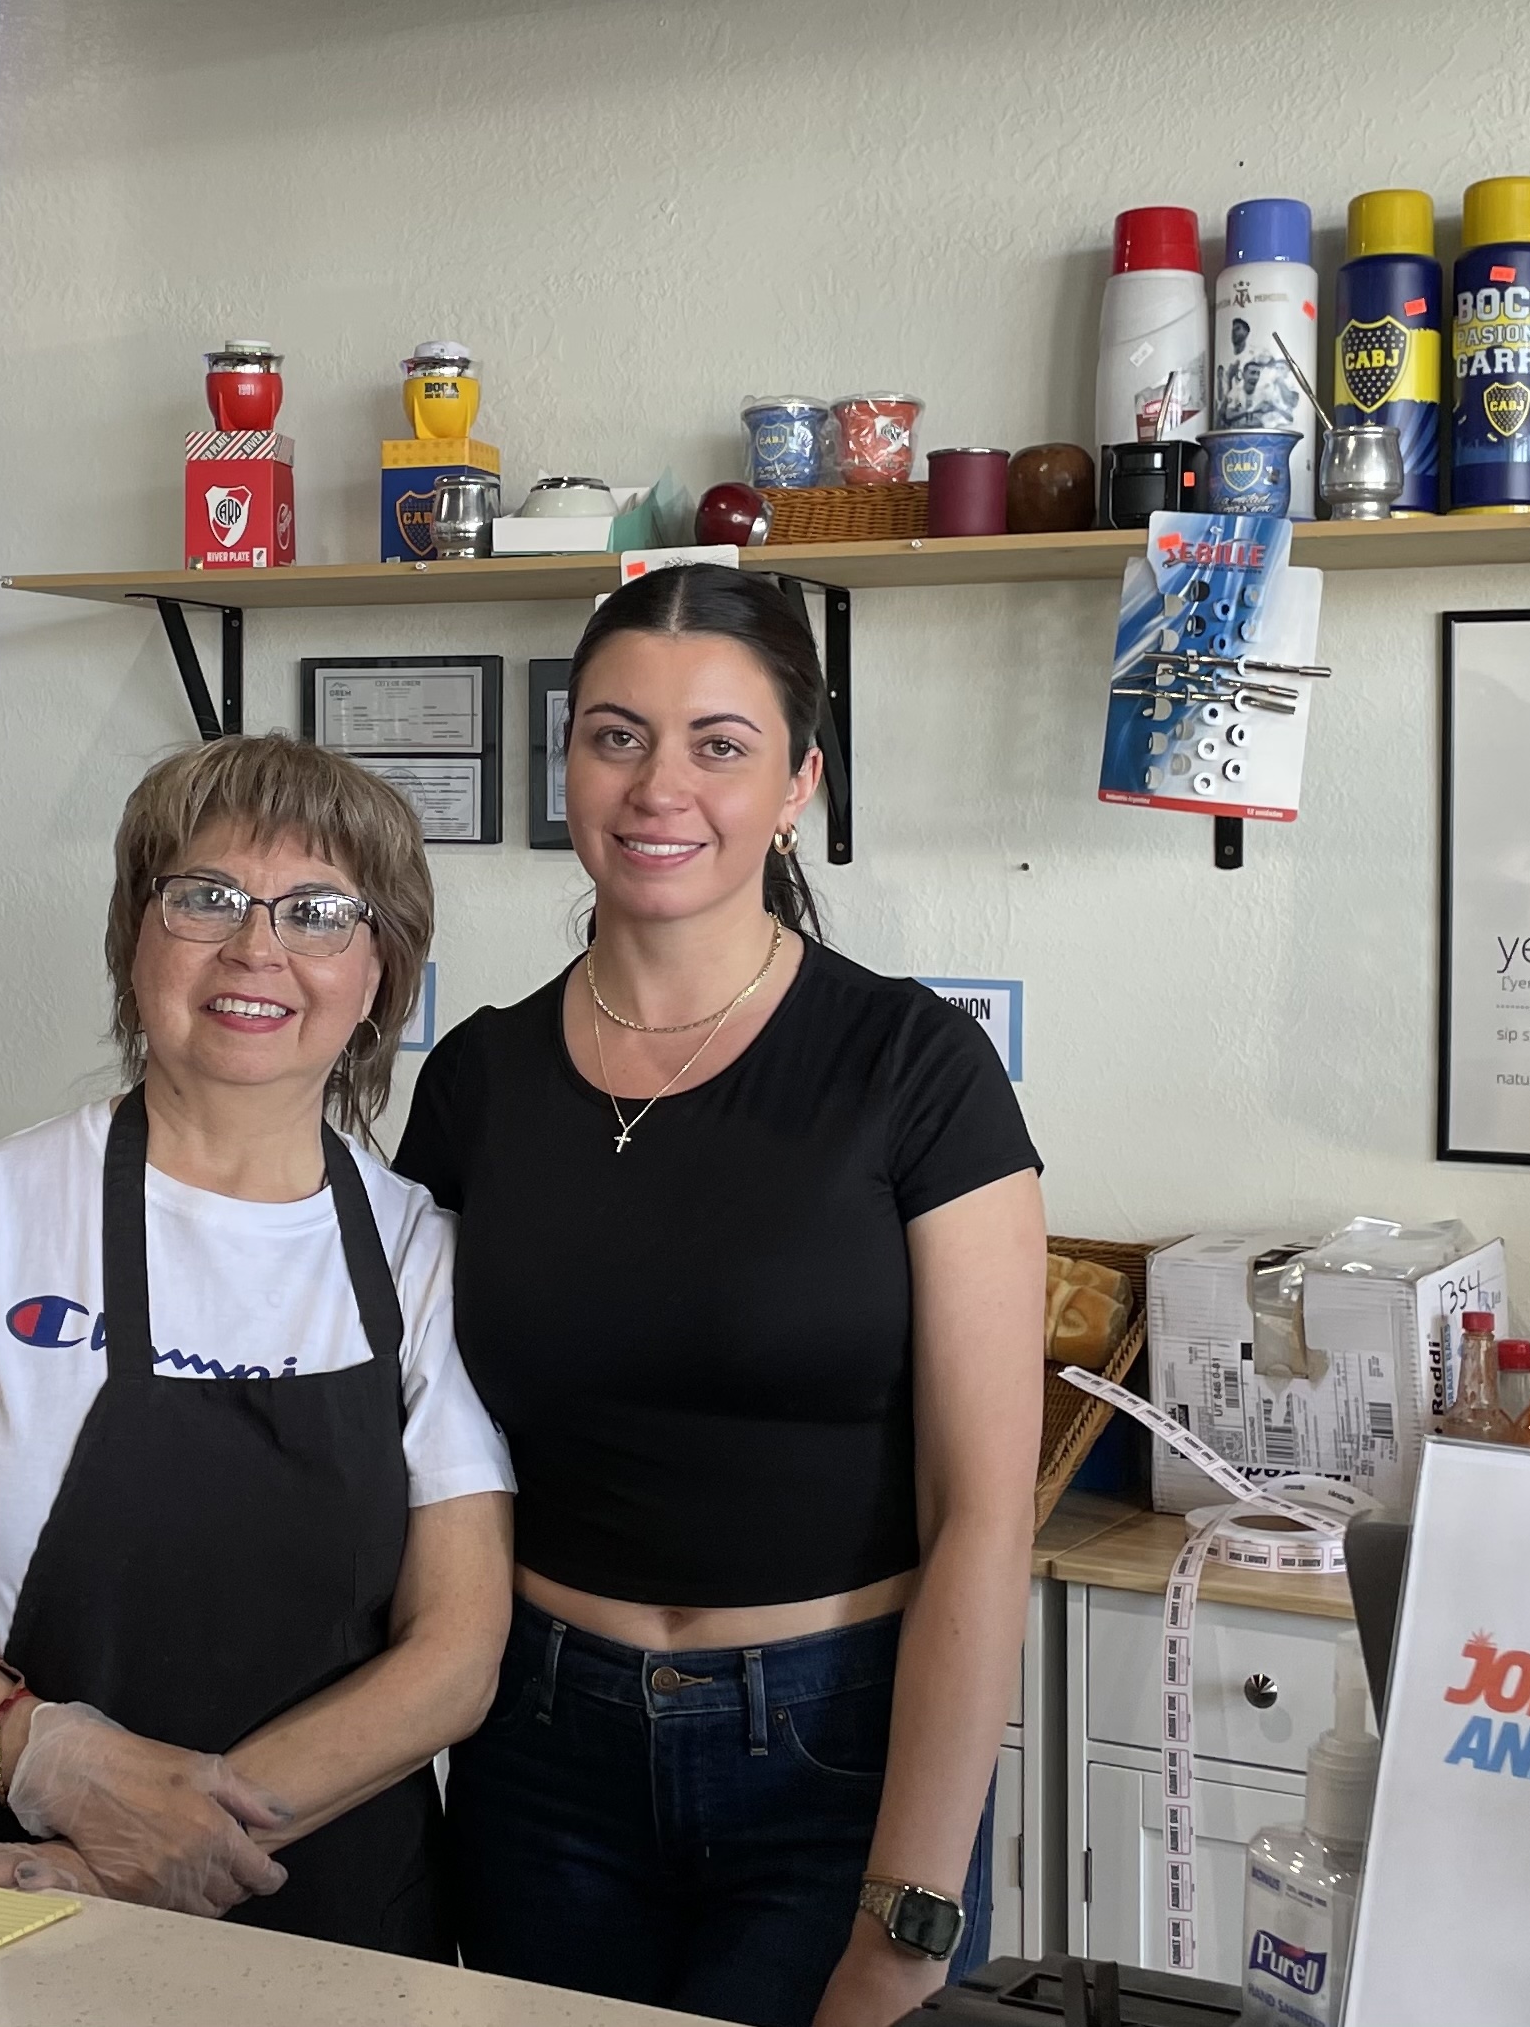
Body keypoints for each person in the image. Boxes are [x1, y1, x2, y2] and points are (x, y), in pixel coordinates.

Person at [396, 566, 1047, 2027]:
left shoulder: (914, 1068)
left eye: (719, 744)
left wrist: (911, 1910)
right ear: (566, 759)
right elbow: (417, 1444)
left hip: (835, 1757)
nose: (657, 787)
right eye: (616, 735)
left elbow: (985, 1519)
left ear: (799, 781)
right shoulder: (478, 1081)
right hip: (538, 1750)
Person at [0, 735, 517, 1957]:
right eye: (208, 897)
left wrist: (164, 1843)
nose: (255, 948)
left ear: (381, 973)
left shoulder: (422, 1256)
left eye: (319, 912)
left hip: (318, 1909)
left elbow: (453, 1655)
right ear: (136, 933)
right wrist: (57, 1767)